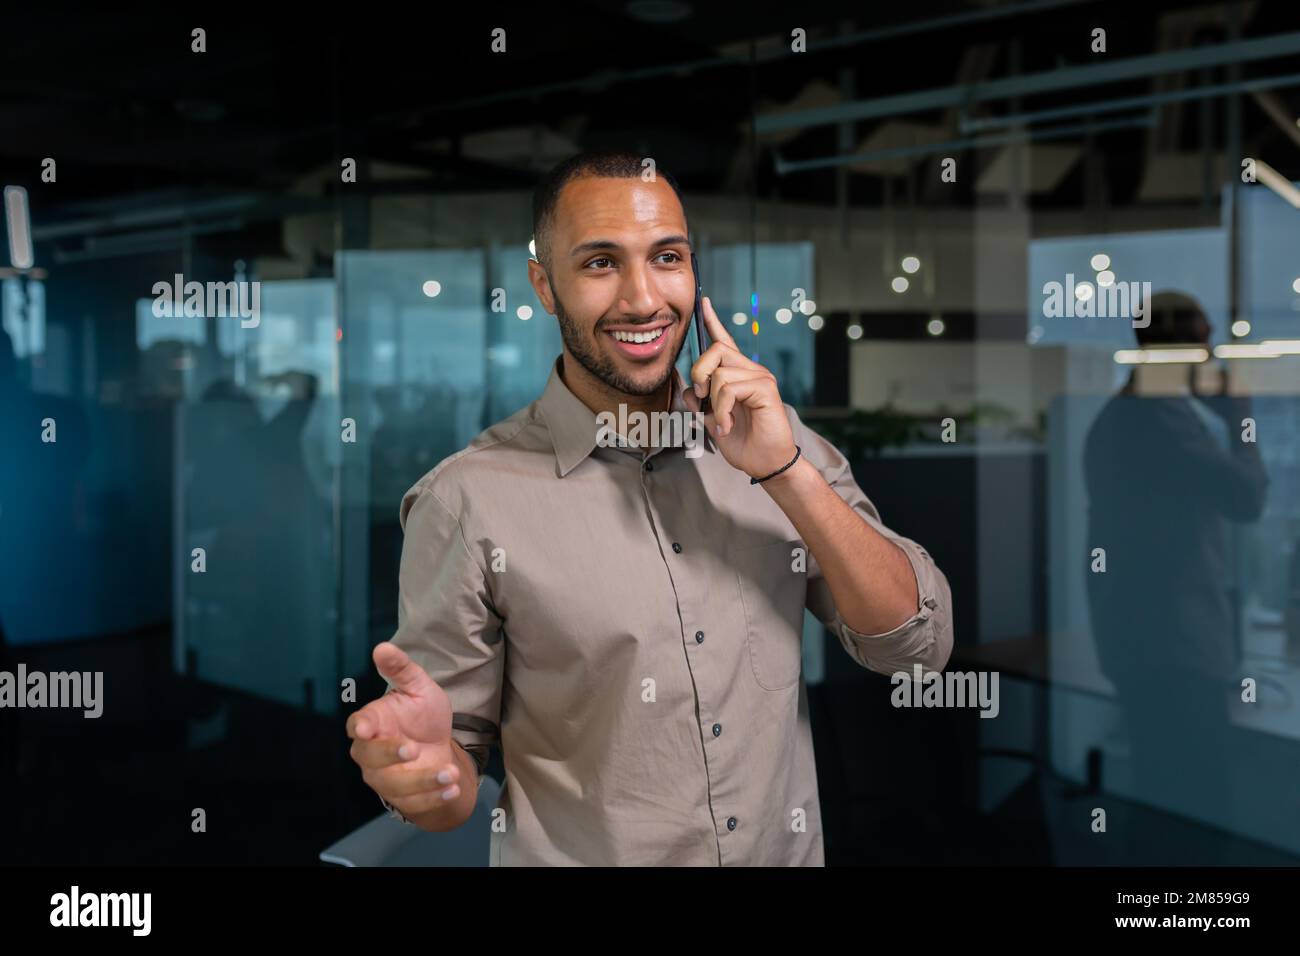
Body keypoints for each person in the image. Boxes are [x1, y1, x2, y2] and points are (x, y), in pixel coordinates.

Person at [347, 150, 954, 865]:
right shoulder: (468, 498)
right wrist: (426, 778)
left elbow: (918, 651)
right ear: (545, 285)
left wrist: (787, 471)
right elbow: (452, 779)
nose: (642, 299)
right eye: (601, 263)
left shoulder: (775, 438)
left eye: (667, 257)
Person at [1084, 291, 1268, 831]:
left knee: (1163, 800)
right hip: (1176, 648)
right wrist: (1241, 420)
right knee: (1193, 809)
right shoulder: (1158, 422)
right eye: (1202, 339)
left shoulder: (1125, 414)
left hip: (1147, 642)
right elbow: (1248, 499)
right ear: (1173, 345)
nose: (1209, 355)